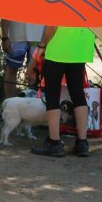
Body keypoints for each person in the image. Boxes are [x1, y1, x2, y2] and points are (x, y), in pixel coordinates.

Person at [31, 25, 94, 158]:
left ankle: (54, 142)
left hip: (57, 50)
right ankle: (82, 142)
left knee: (52, 95)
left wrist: (41, 46)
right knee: (78, 95)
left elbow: (52, 24)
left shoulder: (58, 2)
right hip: (80, 48)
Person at [0, 19, 44, 99]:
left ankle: (31, 104)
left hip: (39, 37)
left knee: (34, 73)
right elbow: (5, 10)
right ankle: (9, 103)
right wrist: (4, 37)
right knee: (12, 69)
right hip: (16, 35)